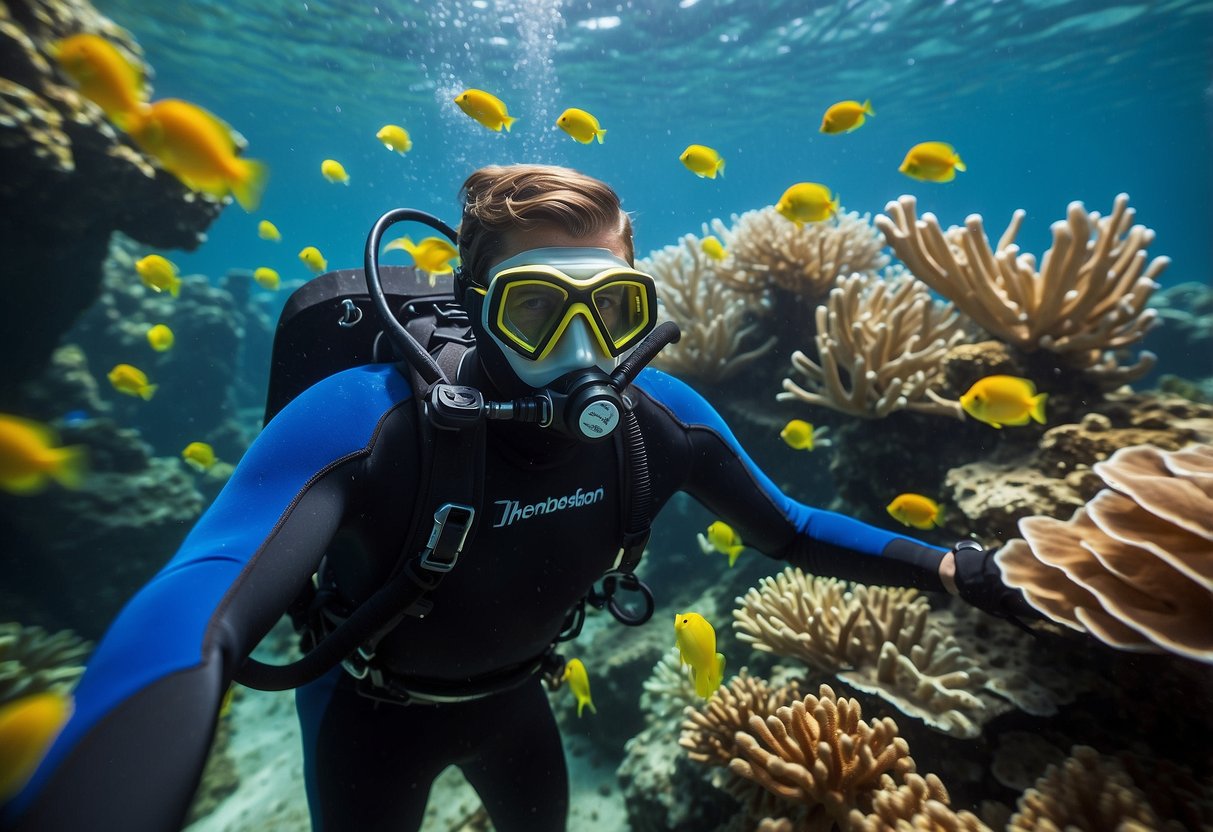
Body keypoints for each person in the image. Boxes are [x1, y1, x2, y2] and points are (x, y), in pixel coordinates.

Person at [1, 165, 1023, 832]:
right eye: (536, 311)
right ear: (471, 301)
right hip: (365, 721)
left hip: (515, 707)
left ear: (639, 304)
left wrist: (956, 567)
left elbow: (788, 528)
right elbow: (203, 603)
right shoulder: (366, 416)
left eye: (611, 312)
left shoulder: (656, 414)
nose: (580, 355)